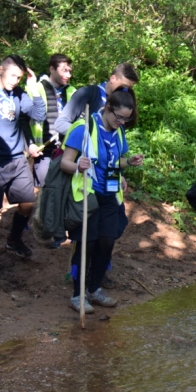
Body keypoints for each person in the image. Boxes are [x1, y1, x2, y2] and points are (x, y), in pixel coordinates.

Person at [59, 89, 144, 313]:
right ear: (108, 108)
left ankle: (94, 289)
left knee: (107, 242)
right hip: (87, 195)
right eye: (119, 117)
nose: (122, 122)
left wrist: (127, 163)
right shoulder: (83, 128)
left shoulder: (118, 132)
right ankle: (77, 295)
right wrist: (79, 165)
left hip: (110, 195)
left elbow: (115, 161)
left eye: (126, 119)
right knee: (86, 244)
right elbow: (64, 162)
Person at [0, 54, 46, 269]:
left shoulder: (19, 93)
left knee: (27, 204)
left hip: (16, 158)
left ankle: (14, 240)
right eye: (13, 75)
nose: (15, 81)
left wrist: (33, 88)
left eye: (19, 78)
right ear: (0, 70)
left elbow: (38, 115)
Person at [25, 54, 74, 188]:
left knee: (64, 191)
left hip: (66, 151)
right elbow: (24, 120)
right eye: (64, 70)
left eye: (70, 71)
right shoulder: (35, 88)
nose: (68, 75)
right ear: (52, 69)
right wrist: (29, 145)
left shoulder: (72, 92)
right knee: (46, 191)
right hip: (43, 151)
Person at [53, 62, 138, 135]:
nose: (126, 91)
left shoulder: (124, 101)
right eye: (124, 86)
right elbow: (60, 124)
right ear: (112, 78)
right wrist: (88, 135)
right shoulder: (87, 93)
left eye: (129, 88)